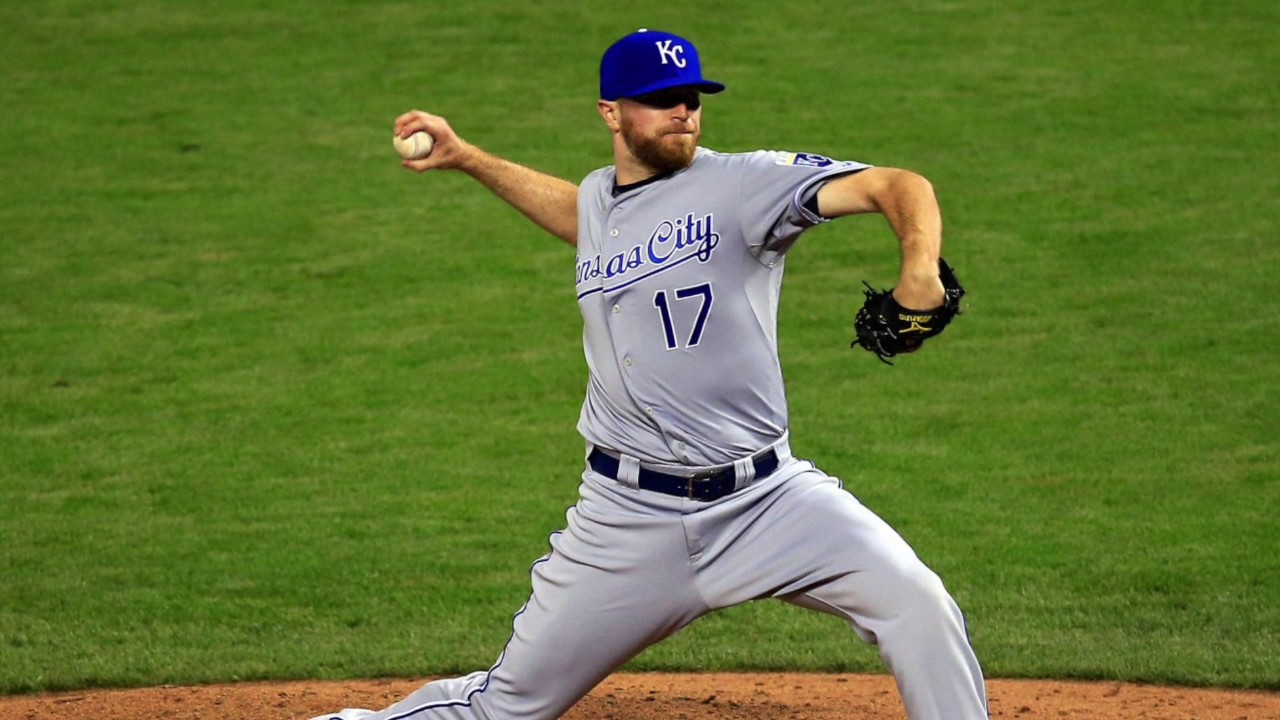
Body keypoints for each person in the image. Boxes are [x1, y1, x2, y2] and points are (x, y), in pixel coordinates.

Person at [311, 28, 988, 720]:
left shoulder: (744, 184)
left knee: (919, 604)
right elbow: (582, 216)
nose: (683, 113)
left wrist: (919, 268)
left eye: (691, 99)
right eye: (662, 100)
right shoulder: (600, 199)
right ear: (612, 113)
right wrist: (469, 159)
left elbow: (897, 185)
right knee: (504, 708)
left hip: (769, 502)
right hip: (628, 520)